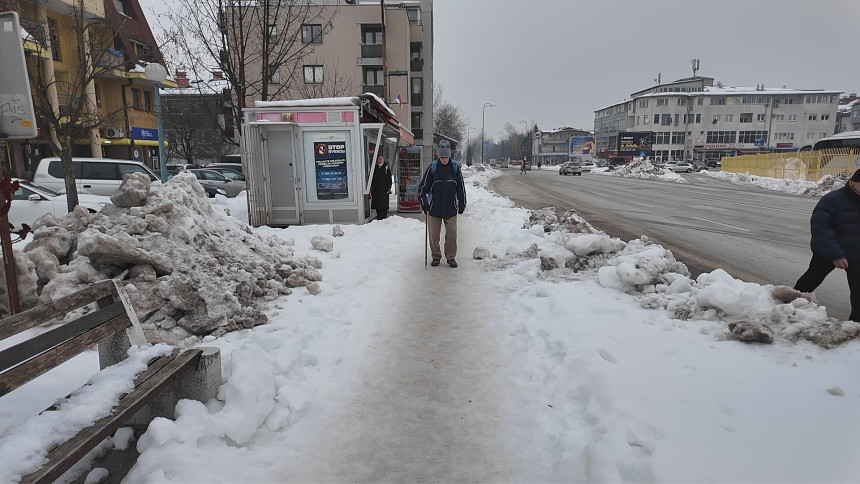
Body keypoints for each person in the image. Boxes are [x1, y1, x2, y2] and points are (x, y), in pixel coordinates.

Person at [794, 168, 860, 321]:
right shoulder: (832, 200)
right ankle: (789, 307)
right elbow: (821, 229)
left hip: (857, 253)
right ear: (854, 182)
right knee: (809, 282)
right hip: (829, 252)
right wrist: (835, 254)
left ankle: (855, 326)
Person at [418, 140, 466, 268]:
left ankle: (451, 257)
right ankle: (436, 256)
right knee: (434, 235)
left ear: (449, 155)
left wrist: (462, 203)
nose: (444, 159)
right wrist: (424, 202)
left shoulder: (455, 169)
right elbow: (422, 188)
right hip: (434, 208)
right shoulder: (432, 168)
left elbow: (461, 188)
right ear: (439, 156)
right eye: (442, 157)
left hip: (450, 208)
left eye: (446, 157)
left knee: (451, 235)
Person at [369, 153, 393, 220]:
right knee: (377, 205)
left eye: (381, 158)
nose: (380, 160)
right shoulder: (374, 167)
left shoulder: (386, 167)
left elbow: (389, 178)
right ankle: (379, 217)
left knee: (384, 205)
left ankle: (384, 218)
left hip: (384, 189)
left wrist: (389, 187)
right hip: (376, 189)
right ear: (377, 159)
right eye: (379, 158)